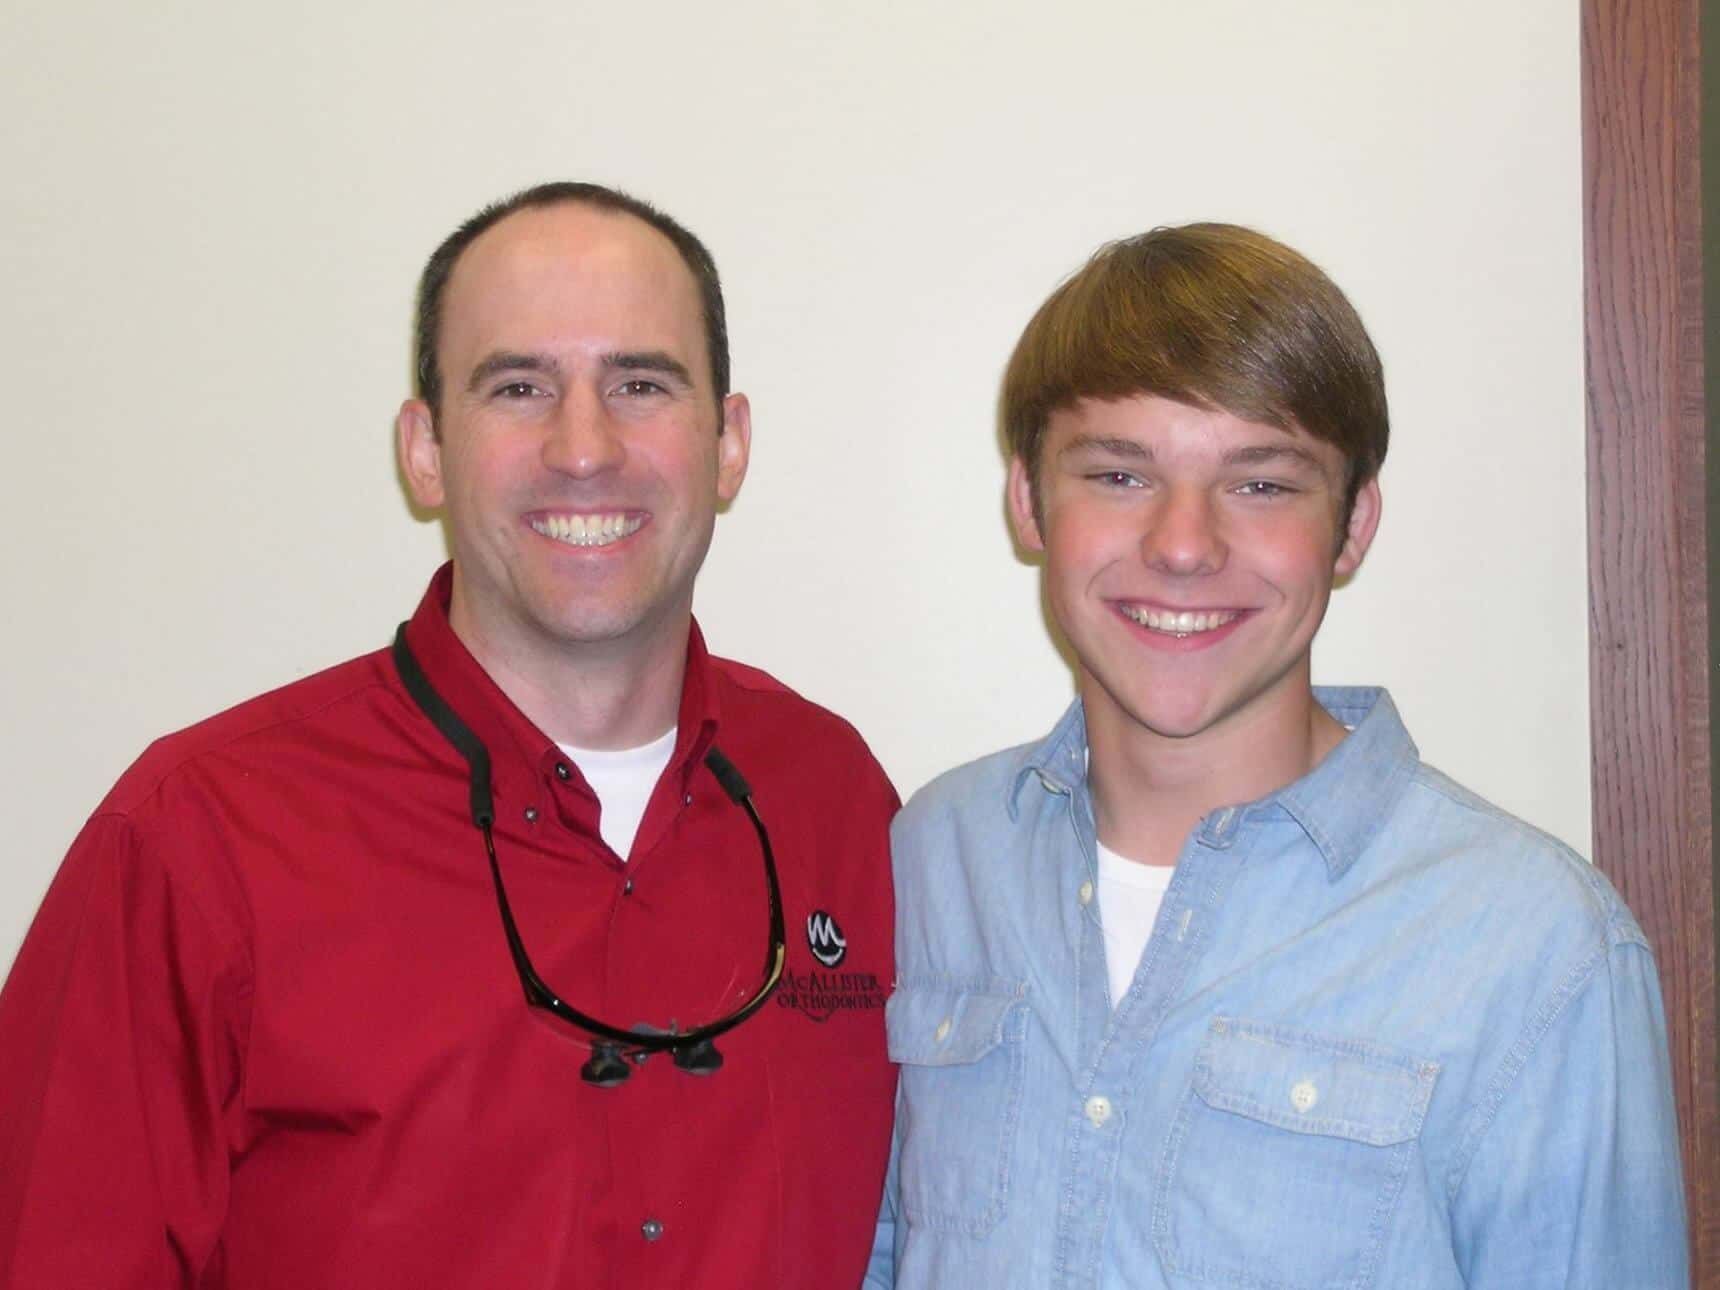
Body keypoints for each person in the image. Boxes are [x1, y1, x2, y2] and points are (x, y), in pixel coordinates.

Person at [0, 182, 897, 1288]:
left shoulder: (840, 806)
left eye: (641, 383)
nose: (584, 446)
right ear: (425, 450)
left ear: (729, 443)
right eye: (519, 386)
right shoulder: (198, 840)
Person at [868, 223, 1687, 1288]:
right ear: (1028, 501)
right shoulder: (934, 859)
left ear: (1350, 530)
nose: (1181, 543)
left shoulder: (1539, 949)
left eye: (1260, 485)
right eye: (1118, 474)